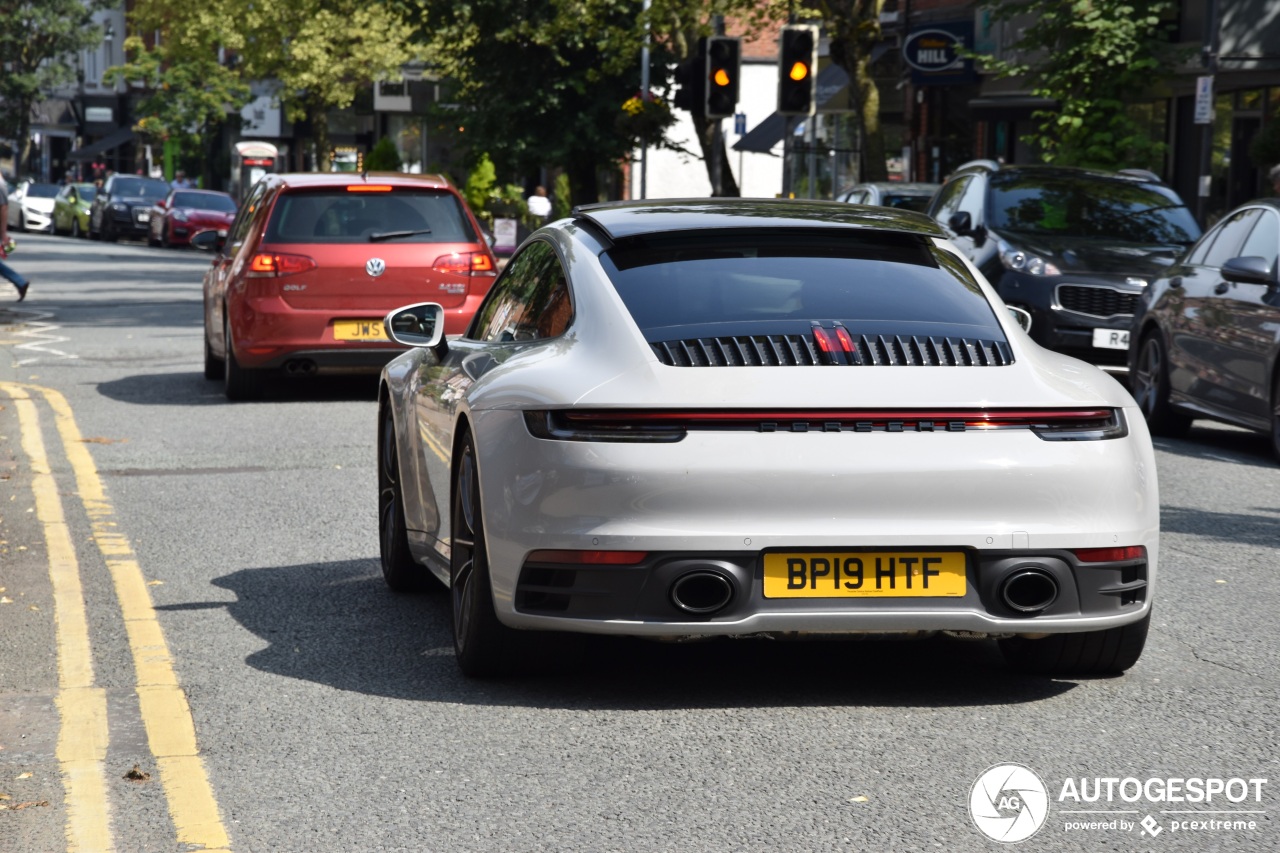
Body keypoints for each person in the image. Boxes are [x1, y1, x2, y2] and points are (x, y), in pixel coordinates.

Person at [0, 173, 29, 301]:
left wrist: (3, 233)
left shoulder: (0, 186)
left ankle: (20, 282)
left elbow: (4, 209)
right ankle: (20, 282)